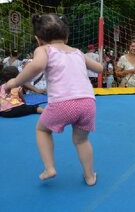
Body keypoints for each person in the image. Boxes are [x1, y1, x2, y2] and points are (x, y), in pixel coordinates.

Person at [3, 14, 103, 186]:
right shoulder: (78, 52)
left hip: (63, 104)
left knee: (42, 130)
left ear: (38, 39)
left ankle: (49, 168)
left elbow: (37, 65)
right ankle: (89, 176)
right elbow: (99, 68)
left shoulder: (44, 50)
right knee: (82, 140)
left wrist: (14, 81)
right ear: (66, 36)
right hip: (88, 103)